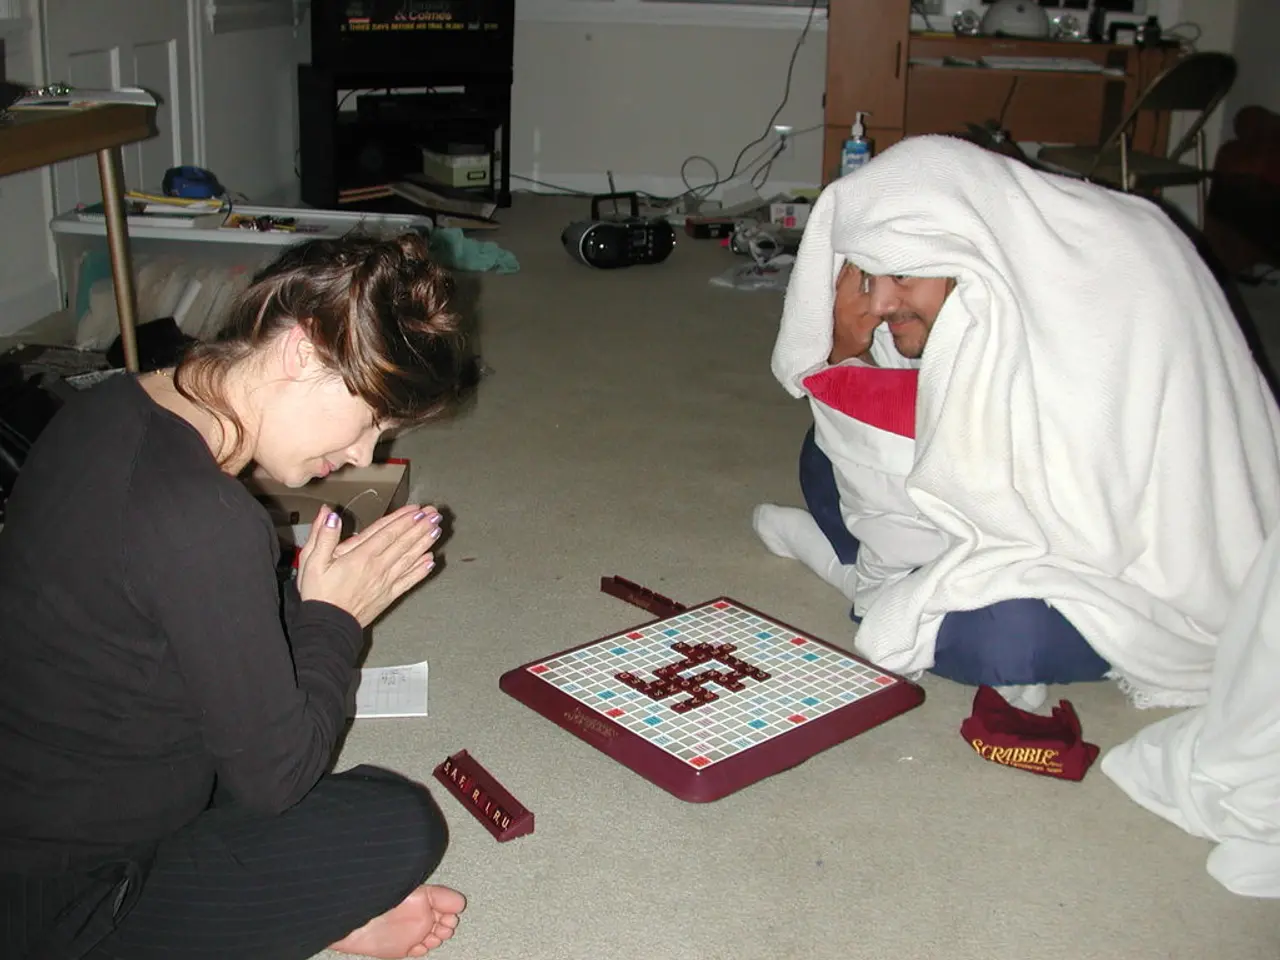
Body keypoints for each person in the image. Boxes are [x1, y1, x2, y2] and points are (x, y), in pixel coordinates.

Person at [0, 232, 474, 960]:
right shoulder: (205, 520)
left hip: (52, 794)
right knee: (398, 822)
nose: (363, 456)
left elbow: (171, 609)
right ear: (301, 350)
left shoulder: (118, 402)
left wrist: (298, 597)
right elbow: (275, 782)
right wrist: (333, 619)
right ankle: (301, 918)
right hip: (65, 900)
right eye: (371, 419)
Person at [754, 135, 1280, 711]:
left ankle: (859, 580)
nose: (879, 305)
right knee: (821, 454)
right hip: (987, 517)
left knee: (1002, 638)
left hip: (1136, 554)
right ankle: (879, 582)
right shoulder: (970, 282)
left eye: (901, 276)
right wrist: (840, 352)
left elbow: (1080, 504)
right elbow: (925, 441)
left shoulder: (1099, 279)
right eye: (868, 280)